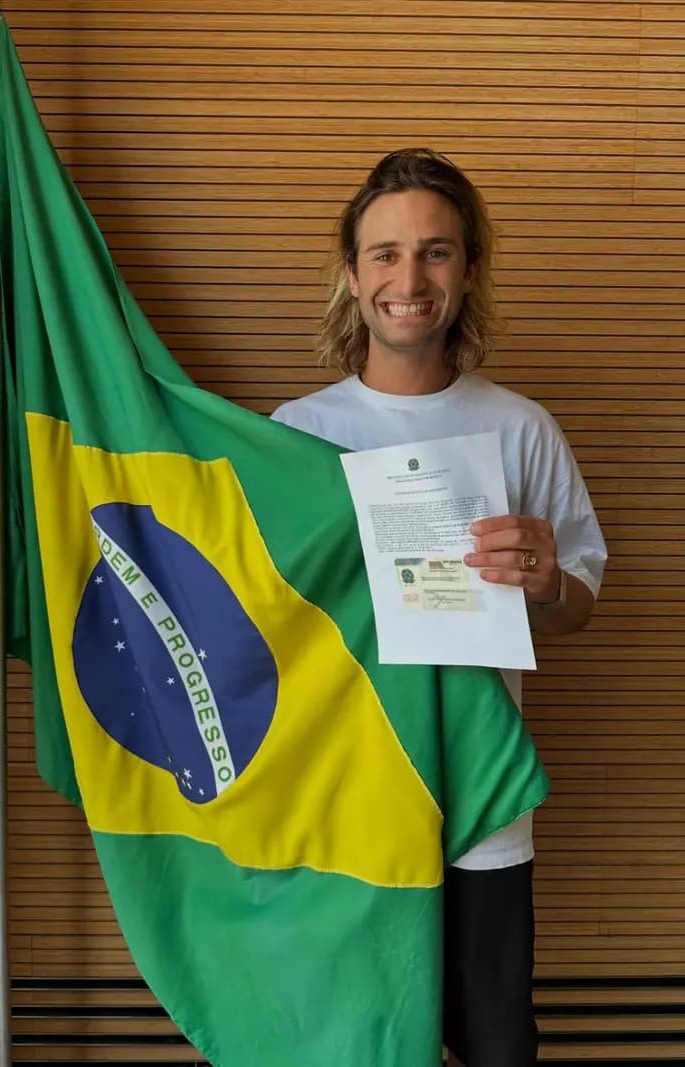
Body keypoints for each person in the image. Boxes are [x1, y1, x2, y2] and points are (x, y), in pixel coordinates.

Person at [271, 148, 607, 1067]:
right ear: (351, 274)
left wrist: (546, 582)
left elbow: (579, 598)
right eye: (384, 254)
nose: (407, 278)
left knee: (494, 1040)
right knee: (349, 1039)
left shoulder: (522, 427)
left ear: (467, 269)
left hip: (481, 806)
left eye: (435, 252)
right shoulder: (297, 434)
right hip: (345, 801)